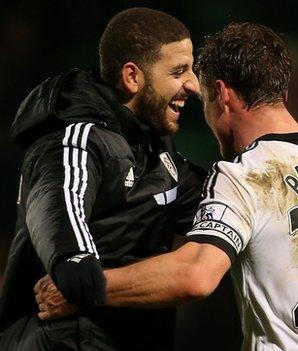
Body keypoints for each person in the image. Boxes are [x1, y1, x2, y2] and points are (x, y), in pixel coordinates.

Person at [35, 22, 298, 351]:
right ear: (282, 92)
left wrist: (87, 288)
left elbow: (195, 276)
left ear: (221, 95)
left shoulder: (245, 175)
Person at [0, 7, 205, 350]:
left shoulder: (157, 150)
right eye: (178, 71)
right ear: (132, 77)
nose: (193, 85)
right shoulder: (77, 140)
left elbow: (220, 202)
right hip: (62, 339)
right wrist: (73, 259)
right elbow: (58, 201)